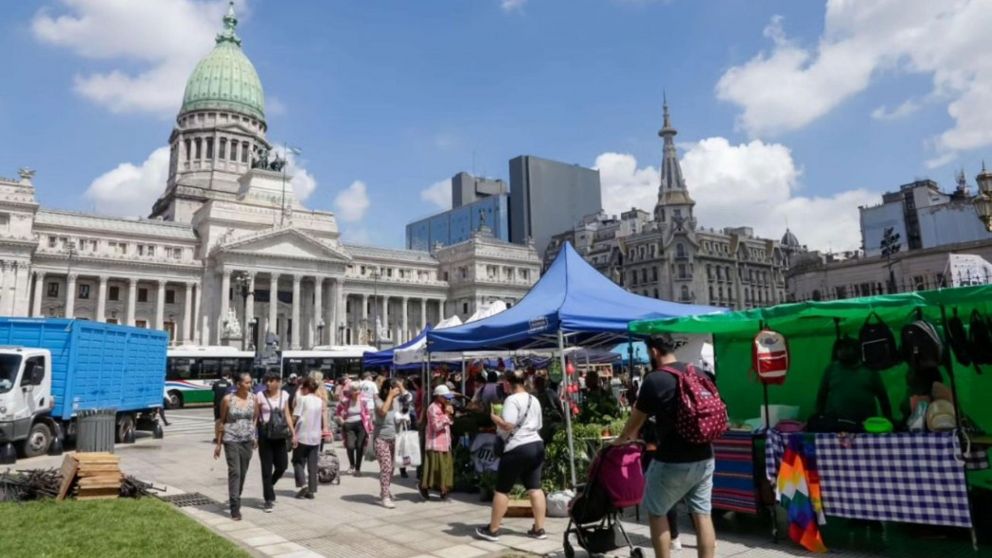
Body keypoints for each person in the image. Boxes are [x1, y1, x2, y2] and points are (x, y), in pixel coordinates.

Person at [615, 334, 717, 558]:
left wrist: (618, 442)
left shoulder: (655, 379)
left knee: (656, 511)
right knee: (702, 514)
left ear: (653, 352)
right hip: (705, 457)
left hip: (672, 460)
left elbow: (633, 425)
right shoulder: (696, 372)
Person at [475, 370, 547, 542]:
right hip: (536, 445)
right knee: (535, 488)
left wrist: (495, 418)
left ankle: (493, 530)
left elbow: (508, 425)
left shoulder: (511, 400)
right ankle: (539, 529)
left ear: (509, 383)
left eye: (503, 384)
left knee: (502, 489)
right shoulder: (533, 399)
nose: (503, 387)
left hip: (517, 448)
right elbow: (539, 424)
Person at [813, 336, 893, 429]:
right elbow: (821, 396)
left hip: (865, 424)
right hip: (836, 423)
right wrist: (819, 417)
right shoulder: (831, 369)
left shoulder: (869, 370)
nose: (842, 351)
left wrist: (889, 419)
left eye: (846, 348)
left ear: (856, 350)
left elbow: (883, 397)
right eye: (839, 348)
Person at [213, 372, 257, 520]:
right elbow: (221, 422)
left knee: (243, 473)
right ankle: (235, 507)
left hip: (247, 440)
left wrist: (253, 434)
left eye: (250, 382)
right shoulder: (227, 399)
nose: (249, 385)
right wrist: (219, 444)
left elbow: (254, 418)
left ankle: (236, 496)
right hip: (231, 439)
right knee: (235, 472)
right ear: (238, 384)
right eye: (246, 383)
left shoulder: (253, 399)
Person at [255, 372, 297, 513]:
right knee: (266, 468)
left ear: (278, 382)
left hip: (280, 435)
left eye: (271, 381)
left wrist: (293, 433)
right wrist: (254, 435)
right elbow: (255, 417)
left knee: (282, 466)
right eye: (266, 380)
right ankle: (268, 499)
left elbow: (287, 415)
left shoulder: (284, 395)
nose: (268, 383)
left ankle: (269, 485)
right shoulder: (260, 396)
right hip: (265, 434)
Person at [292, 377, 328, 499]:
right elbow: (323, 416)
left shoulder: (302, 399)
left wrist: (290, 429)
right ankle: (312, 490)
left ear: (306, 388)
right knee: (312, 464)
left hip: (302, 434)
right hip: (315, 435)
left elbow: (296, 416)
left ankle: (303, 484)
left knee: (297, 461)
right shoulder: (320, 401)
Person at [374, 378, 407, 508]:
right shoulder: (377, 398)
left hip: (396, 439)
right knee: (386, 467)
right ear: (387, 389)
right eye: (394, 388)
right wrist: (390, 396)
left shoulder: (398, 400)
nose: (397, 391)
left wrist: (401, 387)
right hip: (381, 438)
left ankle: (384, 491)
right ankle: (385, 496)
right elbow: (382, 412)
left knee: (391, 468)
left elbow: (408, 400)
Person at [420, 384, 455, 500]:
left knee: (445, 467)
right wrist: (447, 415)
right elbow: (436, 427)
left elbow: (450, 422)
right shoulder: (433, 408)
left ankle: (444, 489)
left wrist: (449, 415)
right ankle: (425, 487)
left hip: (445, 442)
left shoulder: (444, 406)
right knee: (433, 468)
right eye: (445, 397)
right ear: (438, 396)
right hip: (435, 443)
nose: (447, 399)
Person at [335, 385, 372, 476]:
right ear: (351, 392)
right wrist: (342, 422)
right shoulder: (345, 401)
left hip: (361, 425)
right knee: (350, 446)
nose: (357, 393)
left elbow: (367, 412)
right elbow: (338, 412)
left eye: (358, 390)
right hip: (349, 425)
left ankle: (357, 469)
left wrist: (367, 422)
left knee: (360, 447)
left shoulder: (363, 400)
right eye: (355, 391)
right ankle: (351, 465)